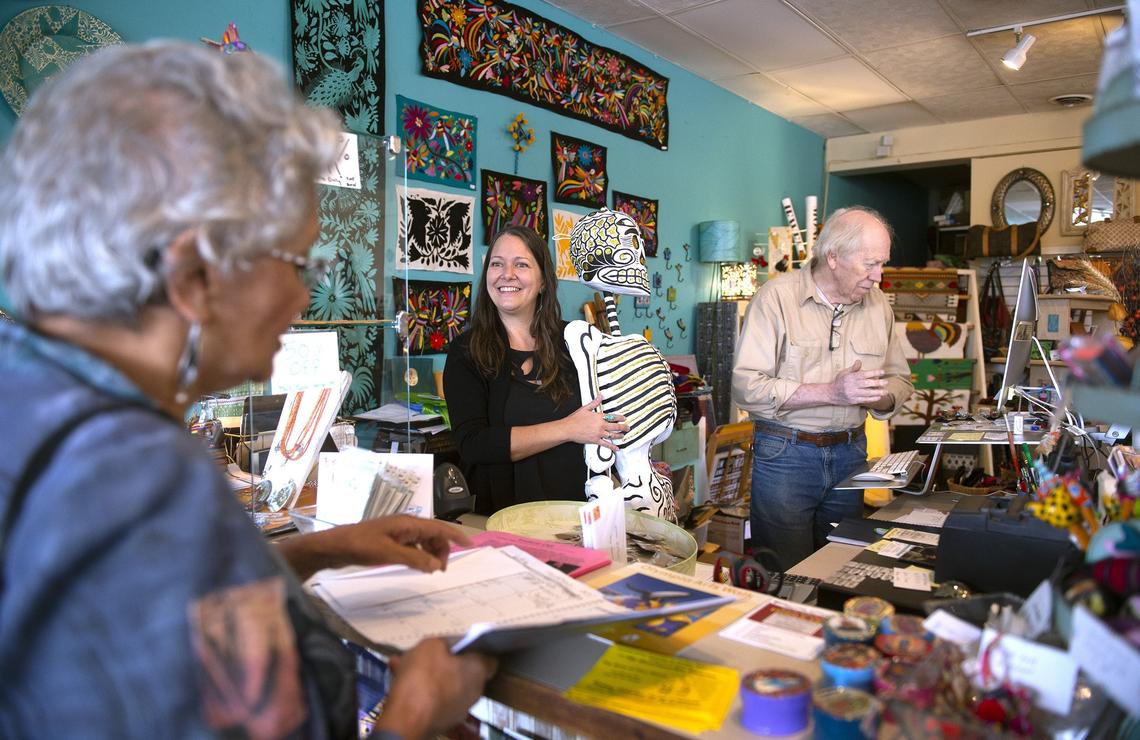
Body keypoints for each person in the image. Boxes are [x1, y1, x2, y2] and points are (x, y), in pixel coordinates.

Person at [0, 42, 494, 738]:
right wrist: (415, 711)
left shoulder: (27, 389)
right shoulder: (150, 482)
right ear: (195, 275)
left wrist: (320, 549)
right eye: (298, 260)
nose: (305, 292)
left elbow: (145, 606)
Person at [731, 207, 913, 570]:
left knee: (839, 565)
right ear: (833, 257)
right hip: (786, 455)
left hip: (851, 453)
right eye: (870, 264)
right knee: (786, 572)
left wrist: (876, 393)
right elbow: (746, 386)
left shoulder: (879, 307)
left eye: (883, 264)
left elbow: (901, 379)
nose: (879, 277)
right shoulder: (776, 299)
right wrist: (832, 392)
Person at [444, 226, 629, 515]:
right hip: (502, 520)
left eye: (521, 264)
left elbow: (607, 415)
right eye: (497, 264)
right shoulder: (466, 352)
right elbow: (475, 444)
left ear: (543, 280)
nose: (507, 274)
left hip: (578, 515)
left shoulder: (578, 341)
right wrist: (567, 429)